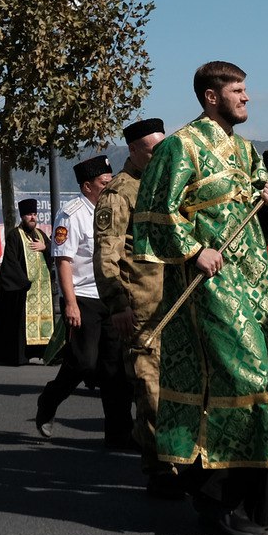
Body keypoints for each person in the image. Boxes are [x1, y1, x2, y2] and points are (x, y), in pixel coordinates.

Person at [131, 61, 268, 535]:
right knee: (241, 377)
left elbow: (260, 215)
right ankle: (214, 497)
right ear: (211, 97)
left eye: (246, 89)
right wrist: (195, 249)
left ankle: (254, 494)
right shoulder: (182, 146)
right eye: (238, 90)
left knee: (263, 379)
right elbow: (153, 214)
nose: (247, 98)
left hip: (254, 285)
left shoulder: (246, 151)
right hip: (208, 287)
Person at [96, 117, 179, 497]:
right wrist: (117, 304)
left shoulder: (166, 185)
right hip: (141, 305)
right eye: (152, 149)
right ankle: (159, 467)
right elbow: (107, 255)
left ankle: (180, 457)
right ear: (133, 151)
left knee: (178, 386)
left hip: (176, 301)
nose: (161, 155)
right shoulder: (119, 193)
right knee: (151, 388)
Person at [34, 153, 134, 444]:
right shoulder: (72, 213)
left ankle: (119, 433)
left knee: (114, 368)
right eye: (104, 182)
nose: (110, 186)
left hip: (112, 296)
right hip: (84, 297)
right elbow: (63, 260)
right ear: (87, 186)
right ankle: (49, 400)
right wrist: (70, 303)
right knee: (83, 363)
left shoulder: (115, 209)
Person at [0, 199, 54, 365]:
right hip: (23, 289)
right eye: (30, 215)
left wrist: (45, 248)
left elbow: (53, 251)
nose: (33, 218)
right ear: (23, 216)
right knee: (21, 325)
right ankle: (21, 355)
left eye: (35, 215)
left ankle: (43, 352)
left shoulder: (40, 235)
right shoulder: (15, 235)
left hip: (40, 289)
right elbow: (11, 263)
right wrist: (24, 283)